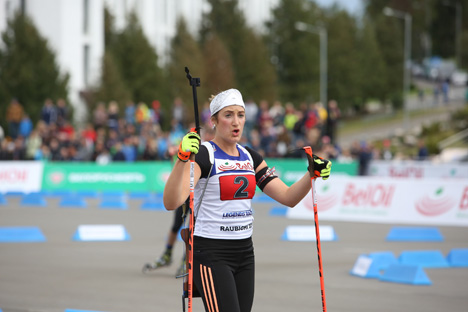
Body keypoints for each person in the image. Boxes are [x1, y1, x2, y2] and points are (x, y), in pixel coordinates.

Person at [163, 88, 332, 312]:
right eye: (228, 115)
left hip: (244, 252)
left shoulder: (250, 156)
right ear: (214, 121)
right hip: (211, 252)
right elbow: (171, 202)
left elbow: (288, 197)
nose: (236, 122)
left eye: (240, 115)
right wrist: (182, 159)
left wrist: (311, 174)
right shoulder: (205, 154)